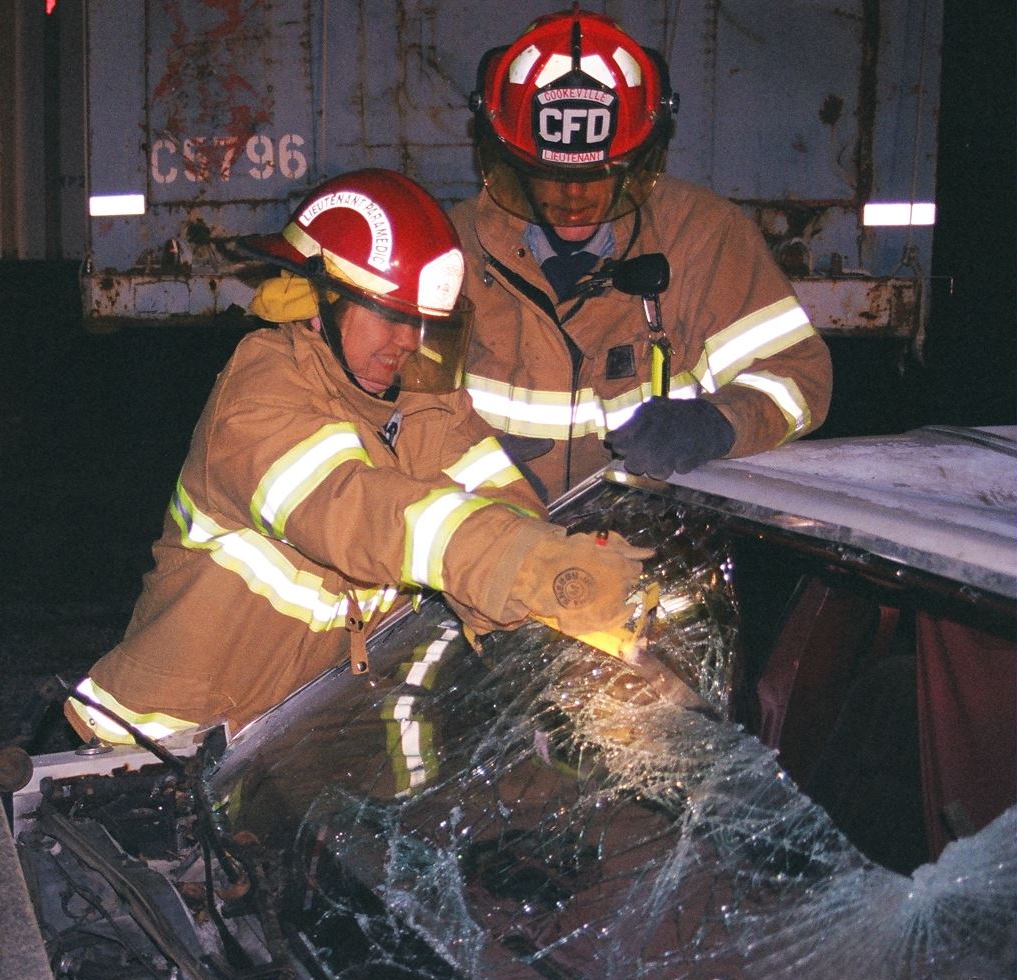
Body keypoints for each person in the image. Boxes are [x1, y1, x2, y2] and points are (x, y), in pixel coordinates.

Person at [65, 169, 650, 746]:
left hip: (286, 746)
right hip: (155, 750)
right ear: (321, 300)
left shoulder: (431, 406)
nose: (407, 343)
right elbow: (354, 508)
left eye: (421, 324)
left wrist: (546, 579)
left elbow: (506, 509)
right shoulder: (261, 388)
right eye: (390, 316)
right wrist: (516, 563)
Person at [455, 7, 833, 502]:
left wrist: (718, 423)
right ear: (511, 160)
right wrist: (468, 460)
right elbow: (391, 406)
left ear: (637, 159)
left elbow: (800, 377)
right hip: (490, 536)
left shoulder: (704, 237)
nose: (574, 201)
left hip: (647, 533)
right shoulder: (455, 247)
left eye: (598, 176)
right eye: (552, 177)